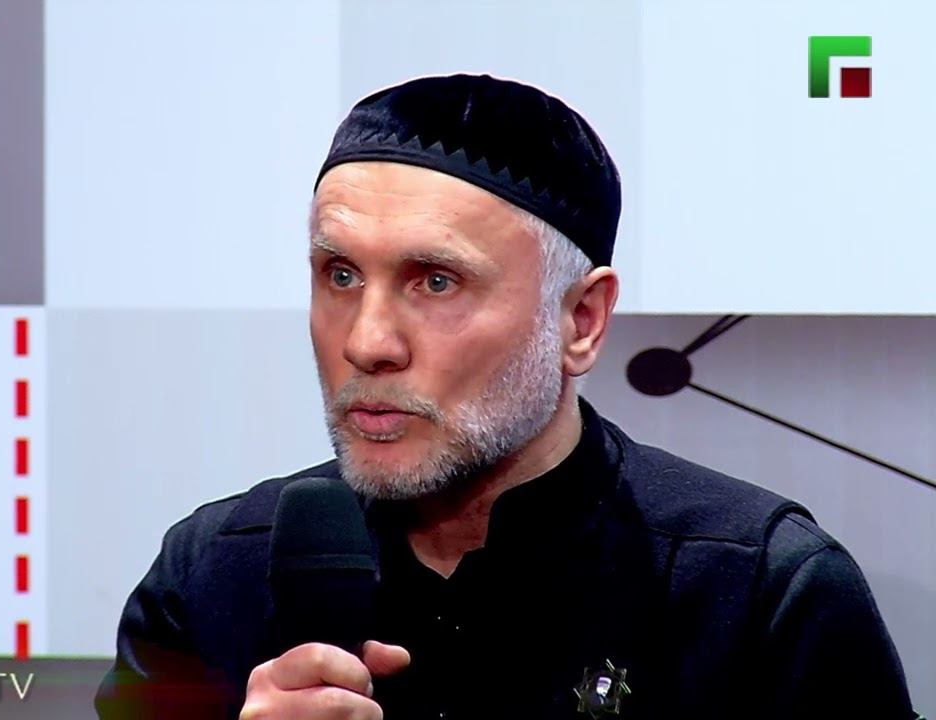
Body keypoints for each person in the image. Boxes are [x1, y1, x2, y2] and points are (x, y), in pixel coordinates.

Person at [94, 74, 917, 719]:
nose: (366, 342)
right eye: (339, 275)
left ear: (581, 320)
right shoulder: (210, 574)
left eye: (436, 281)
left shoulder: (757, 589)